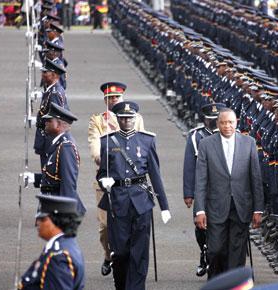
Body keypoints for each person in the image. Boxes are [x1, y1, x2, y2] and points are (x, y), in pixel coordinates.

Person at [97, 101, 170, 290]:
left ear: (135, 119)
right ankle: (121, 285)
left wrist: (164, 206)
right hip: (117, 201)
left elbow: (155, 174)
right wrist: (103, 180)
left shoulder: (147, 140)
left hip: (141, 201)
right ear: (118, 119)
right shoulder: (107, 141)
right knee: (120, 252)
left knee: (140, 252)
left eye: (130, 118)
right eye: (123, 118)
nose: (127, 121)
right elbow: (102, 172)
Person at [194, 107, 264, 278]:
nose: (227, 126)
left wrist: (258, 209)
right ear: (218, 124)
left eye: (231, 122)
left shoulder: (248, 143)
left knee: (237, 252)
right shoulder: (206, 144)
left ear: (236, 122)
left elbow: (256, 178)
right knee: (216, 249)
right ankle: (216, 281)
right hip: (216, 206)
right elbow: (201, 179)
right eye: (223, 123)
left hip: (241, 206)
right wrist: (200, 210)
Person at [88, 82, 144, 276]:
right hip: (106, 178)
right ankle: (108, 254)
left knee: (129, 223)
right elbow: (95, 146)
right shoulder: (98, 120)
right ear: (105, 100)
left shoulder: (136, 119)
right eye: (110, 98)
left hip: (130, 180)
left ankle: (125, 257)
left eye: (116, 98)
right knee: (104, 226)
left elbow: (141, 145)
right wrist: (104, 157)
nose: (113, 100)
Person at [183, 102, 225, 277]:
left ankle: (218, 260)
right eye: (210, 120)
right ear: (204, 120)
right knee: (201, 226)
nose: (214, 123)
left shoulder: (229, 135)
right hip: (203, 188)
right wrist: (188, 193)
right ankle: (204, 253)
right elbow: (189, 165)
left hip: (223, 189)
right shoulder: (196, 136)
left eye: (217, 119)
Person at [25, 102, 86, 215]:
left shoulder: (66, 146)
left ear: (58, 125)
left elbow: (68, 184)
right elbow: (54, 177)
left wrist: (65, 215)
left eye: (49, 121)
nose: (45, 123)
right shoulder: (58, 143)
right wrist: (35, 178)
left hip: (57, 208)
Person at [18, 194, 85, 290]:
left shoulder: (58, 257)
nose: (37, 223)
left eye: (42, 219)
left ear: (56, 221)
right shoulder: (65, 244)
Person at [34, 58, 68, 168]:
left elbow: (57, 120)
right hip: (47, 137)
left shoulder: (54, 93)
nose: (42, 74)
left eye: (45, 72)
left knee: (48, 173)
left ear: (54, 75)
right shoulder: (51, 91)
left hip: (49, 139)